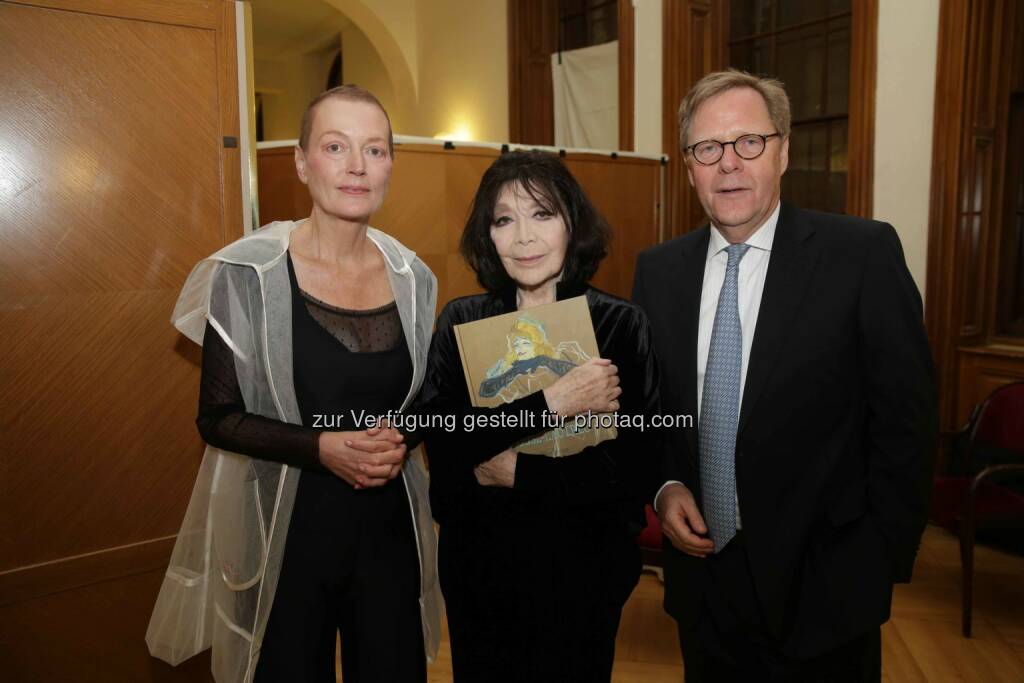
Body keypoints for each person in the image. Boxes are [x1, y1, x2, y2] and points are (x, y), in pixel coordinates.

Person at [632, 69, 937, 681]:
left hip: (826, 592)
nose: (729, 165)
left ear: (784, 152)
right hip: (705, 589)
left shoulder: (862, 255)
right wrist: (664, 489)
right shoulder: (658, 273)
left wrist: (876, 562)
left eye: (750, 142)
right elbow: (653, 411)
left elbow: (907, 421)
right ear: (689, 167)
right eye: (708, 149)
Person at [147, 86, 441, 682]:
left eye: (375, 150)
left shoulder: (416, 277)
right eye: (336, 147)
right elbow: (219, 418)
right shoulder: (245, 274)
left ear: (389, 165)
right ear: (303, 163)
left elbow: (427, 399)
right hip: (285, 538)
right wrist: (320, 447)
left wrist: (403, 434)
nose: (358, 166)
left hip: (388, 535)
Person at [419, 151, 662, 682]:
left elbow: (632, 468)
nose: (524, 237)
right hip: (480, 569)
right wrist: (556, 402)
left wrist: (518, 472)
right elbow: (448, 447)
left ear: (572, 224)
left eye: (542, 214)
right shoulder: (462, 320)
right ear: (489, 236)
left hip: (583, 571)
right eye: (504, 219)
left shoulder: (620, 324)